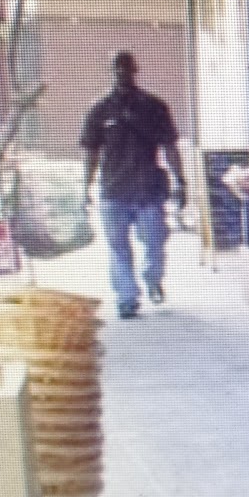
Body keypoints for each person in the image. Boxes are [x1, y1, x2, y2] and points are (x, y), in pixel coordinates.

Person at [80, 51, 186, 320]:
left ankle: (152, 278)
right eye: (117, 69)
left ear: (135, 70)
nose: (122, 73)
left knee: (155, 241)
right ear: (111, 71)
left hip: (148, 189)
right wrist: (86, 187)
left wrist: (180, 181)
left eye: (127, 68)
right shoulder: (100, 109)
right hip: (113, 190)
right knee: (118, 246)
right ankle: (127, 298)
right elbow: (90, 151)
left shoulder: (154, 107)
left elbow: (170, 146)